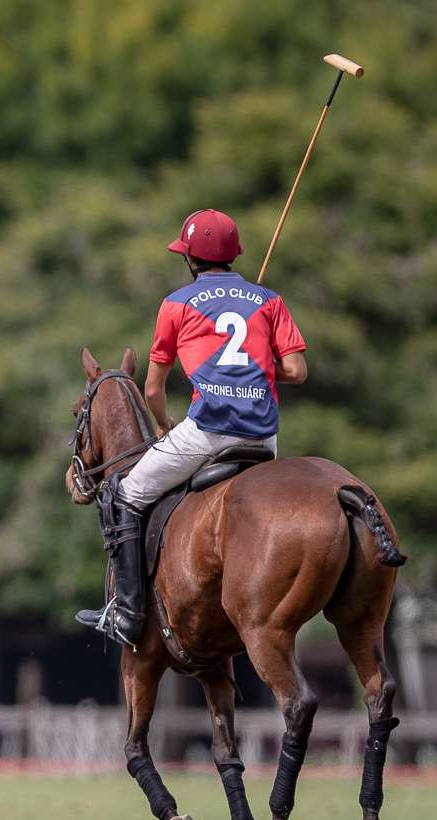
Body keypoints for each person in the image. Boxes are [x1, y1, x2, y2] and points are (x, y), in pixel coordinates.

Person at [77, 209, 308, 648]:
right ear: (232, 254)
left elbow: (152, 388)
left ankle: (126, 612)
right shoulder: (268, 299)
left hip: (207, 431)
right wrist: (257, 366)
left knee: (123, 493)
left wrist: (164, 425)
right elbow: (296, 370)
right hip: (263, 437)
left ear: (191, 259)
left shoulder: (177, 304)